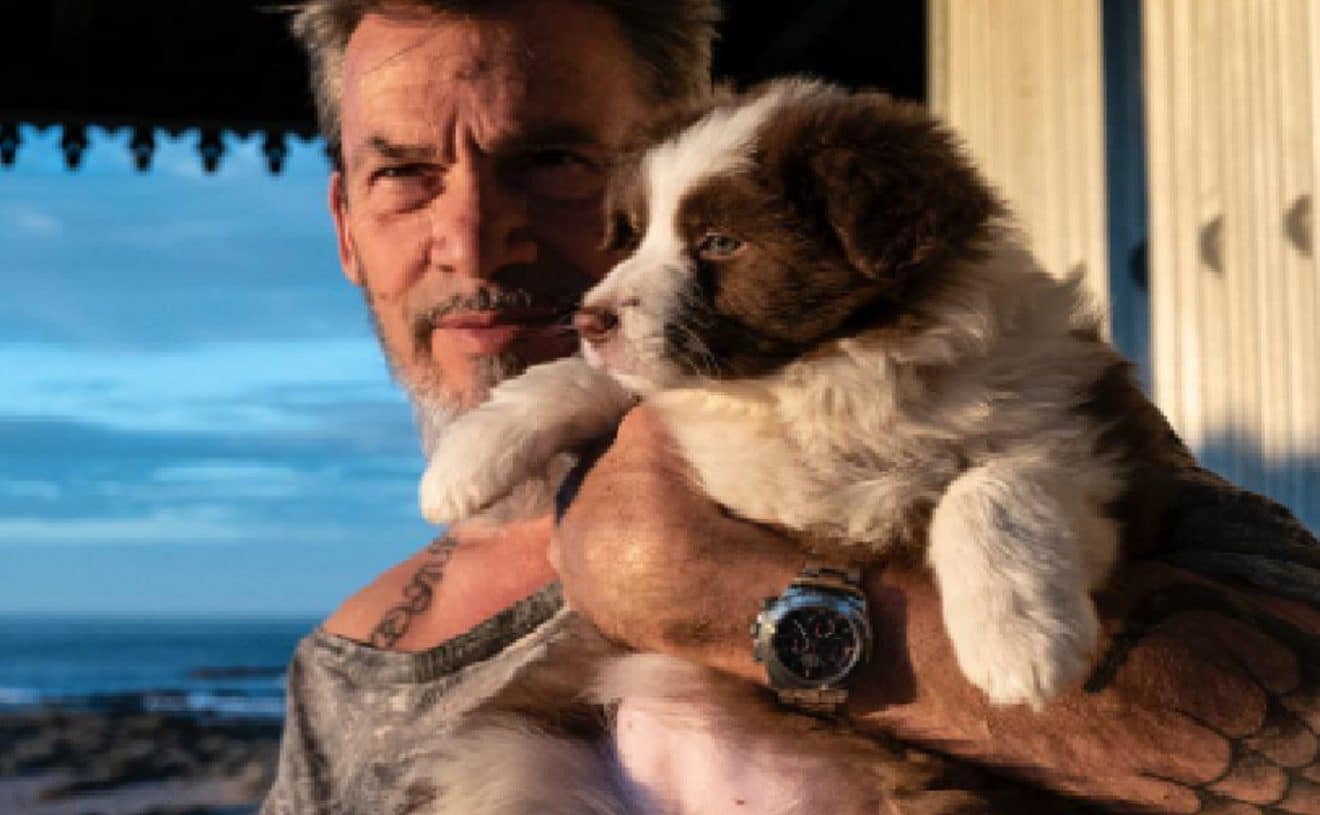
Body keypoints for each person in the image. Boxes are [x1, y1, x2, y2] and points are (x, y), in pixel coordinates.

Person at [261, 1, 1320, 812]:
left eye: (555, 162)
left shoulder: (1045, 428)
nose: (475, 238)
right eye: (404, 173)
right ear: (347, 227)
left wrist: (729, 596)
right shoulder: (349, 665)